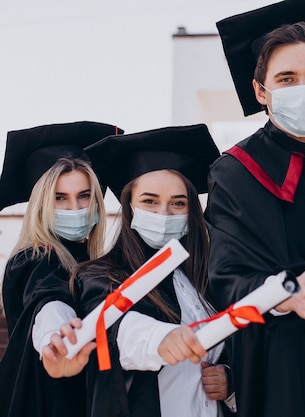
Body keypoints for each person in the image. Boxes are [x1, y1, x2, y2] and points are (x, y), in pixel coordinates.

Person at [207, 0, 305, 416]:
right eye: (286, 78)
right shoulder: (234, 172)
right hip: (277, 365)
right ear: (261, 91)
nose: (303, 88)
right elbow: (226, 277)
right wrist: (289, 295)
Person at [71, 124, 234, 417]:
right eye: (149, 201)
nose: (163, 214)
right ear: (129, 206)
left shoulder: (209, 279)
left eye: (178, 203)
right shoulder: (101, 276)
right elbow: (116, 328)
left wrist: (231, 384)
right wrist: (162, 338)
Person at [0, 121, 122, 417]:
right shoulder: (34, 257)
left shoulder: (85, 258)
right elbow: (47, 298)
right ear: (41, 204)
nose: (75, 208)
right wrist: (57, 337)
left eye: (83, 196)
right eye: (59, 198)